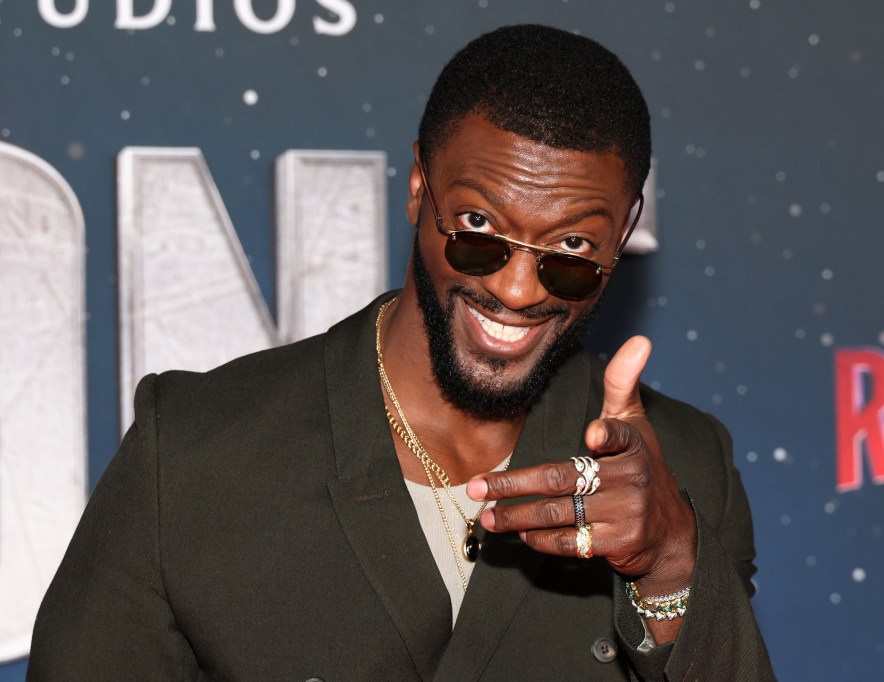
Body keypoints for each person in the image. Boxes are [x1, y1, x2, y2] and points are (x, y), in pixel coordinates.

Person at [29, 24, 773, 680]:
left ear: (626, 231)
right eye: (478, 225)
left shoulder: (684, 469)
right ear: (420, 187)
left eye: (572, 247)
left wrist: (671, 563)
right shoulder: (194, 451)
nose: (516, 289)